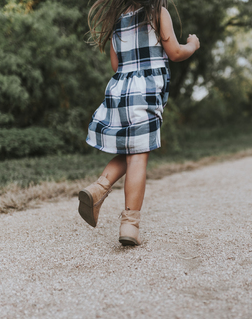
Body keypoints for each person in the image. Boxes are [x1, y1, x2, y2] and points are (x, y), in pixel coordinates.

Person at [78, 0, 200, 246]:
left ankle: (99, 188)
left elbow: (116, 65)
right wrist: (192, 45)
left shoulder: (117, 21)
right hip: (146, 93)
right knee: (138, 155)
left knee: (131, 149)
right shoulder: (158, 14)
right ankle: (130, 225)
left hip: (120, 92)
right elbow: (175, 53)